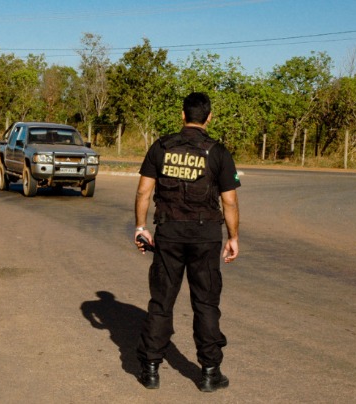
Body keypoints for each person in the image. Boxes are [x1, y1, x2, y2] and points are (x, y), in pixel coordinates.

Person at [133, 92, 240, 392]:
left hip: (169, 234)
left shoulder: (161, 147)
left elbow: (143, 192)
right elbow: (229, 202)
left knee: (162, 301)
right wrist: (233, 237)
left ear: (182, 116)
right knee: (205, 303)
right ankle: (209, 372)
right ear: (209, 117)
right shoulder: (218, 152)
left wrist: (141, 227)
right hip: (205, 238)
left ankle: (150, 369)